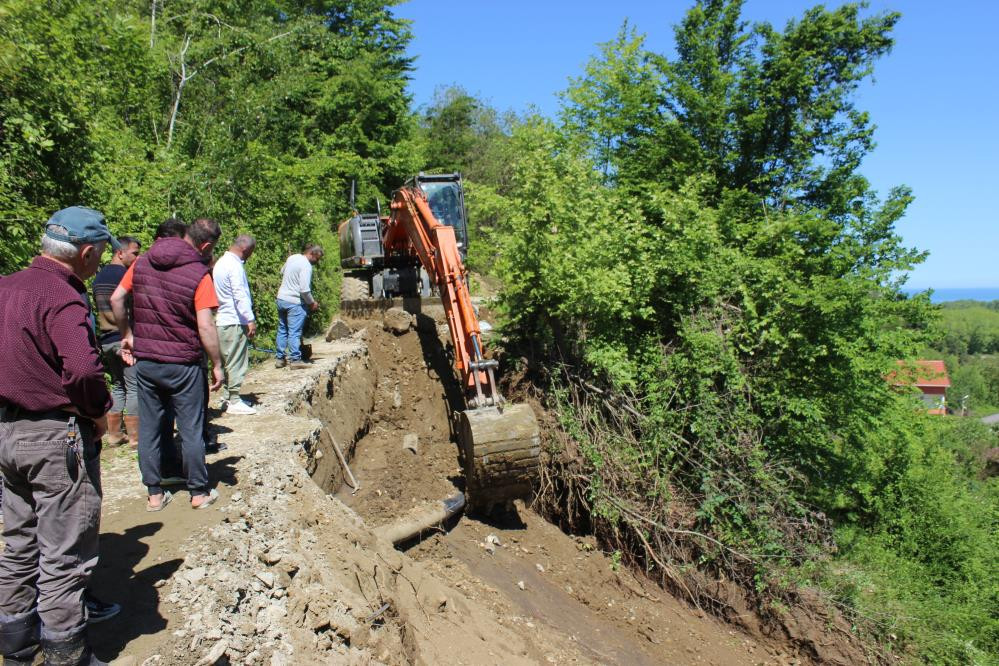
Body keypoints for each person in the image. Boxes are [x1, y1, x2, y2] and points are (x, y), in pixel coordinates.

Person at [0, 207, 116, 665]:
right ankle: (67, 654)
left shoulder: (6, 287)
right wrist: (97, 410)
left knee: (18, 543)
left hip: (7, 433)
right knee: (65, 553)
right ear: (86, 253)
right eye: (100, 254)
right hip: (54, 437)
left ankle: (17, 646)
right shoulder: (63, 296)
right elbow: (85, 368)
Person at [111, 218, 224, 511]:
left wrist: (127, 335)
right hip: (183, 363)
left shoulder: (141, 264)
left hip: (147, 361)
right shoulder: (199, 273)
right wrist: (217, 364)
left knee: (149, 428)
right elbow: (206, 326)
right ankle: (198, 493)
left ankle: (154, 495)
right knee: (190, 426)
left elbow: (117, 298)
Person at [91, 235, 142, 448]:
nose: (137, 259)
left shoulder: (99, 276)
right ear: (120, 252)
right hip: (124, 339)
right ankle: (135, 437)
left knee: (118, 385)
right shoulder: (125, 277)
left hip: (106, 340)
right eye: (135, 254)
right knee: (134, 386)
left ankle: (113, 434)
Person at [212, 235, 258, 415]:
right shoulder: (235, 266)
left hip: (222, 319)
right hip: (234, 320)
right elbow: (240, 294)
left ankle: (227, 397)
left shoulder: (221, 263)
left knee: (226, 360)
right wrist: (250, 319)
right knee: (236, 361)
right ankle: (234, 400)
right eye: (251, 253)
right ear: (246, 249)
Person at [275, 243, 323, 369]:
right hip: (294, 302)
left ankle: (280, 359)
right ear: (311, 253)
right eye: (317, 259)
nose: (317, 262)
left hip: (281, 298)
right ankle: (295, 360)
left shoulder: (293, 258)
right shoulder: (306, 266)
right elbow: (304, 290)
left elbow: (282, 271)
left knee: (282, 329)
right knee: (294, 332)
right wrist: (312, 303)